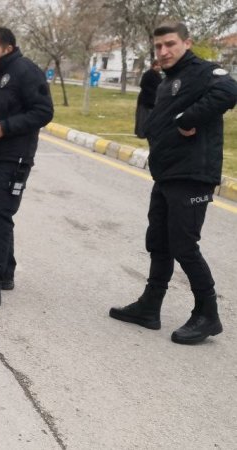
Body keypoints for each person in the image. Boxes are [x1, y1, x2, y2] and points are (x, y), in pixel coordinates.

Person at [109, 22, 237, 344]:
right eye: (158, 46)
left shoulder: (203, 71)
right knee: (159, 241)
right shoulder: (169, 80)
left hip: (192, 176)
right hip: (167, 174)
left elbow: (229, 90)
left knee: (183, 245)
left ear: (186, 43)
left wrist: (187, 119)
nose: (163, 51)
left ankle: (207, 314)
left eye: (170, 44)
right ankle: (149, 307)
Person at [0, 27, 54, 309]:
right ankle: (5, 272)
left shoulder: (26, 72)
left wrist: (4, 128)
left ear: (8, 49)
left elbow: (43, 112)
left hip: (14, 159)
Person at [135, 60, 162, 138]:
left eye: (160, 66)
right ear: (153, 66)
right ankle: (141, 133)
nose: (159, 67)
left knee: (150, 118)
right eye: (157, 65)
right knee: (143, 117)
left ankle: (148, 132)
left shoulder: (158, 75)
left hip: (153, 100)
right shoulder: (148, 74)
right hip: (145, 99)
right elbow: (143, 85)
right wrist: (152, 92)